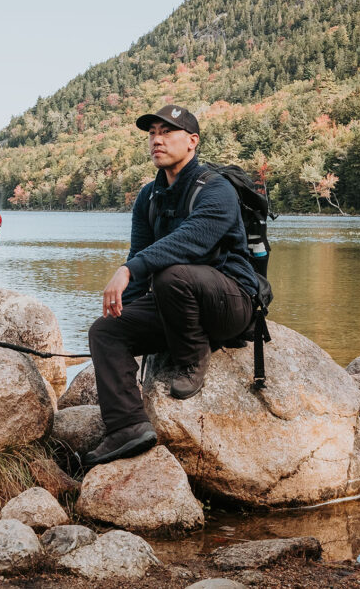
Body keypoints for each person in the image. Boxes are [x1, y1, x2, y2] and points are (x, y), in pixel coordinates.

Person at [83, 104, 260, 468]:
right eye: (152, 134)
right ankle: (128, 427)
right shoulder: (149, 196)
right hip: (176, 304)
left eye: (167, 132)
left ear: (192, 142)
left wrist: (128, 270)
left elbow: (190, 241)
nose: (157, 140)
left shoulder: (217, 190)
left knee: (172, 273)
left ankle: (193, 356)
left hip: (231, 302)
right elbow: (141, 253)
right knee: (105, 331)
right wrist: (127, 315)